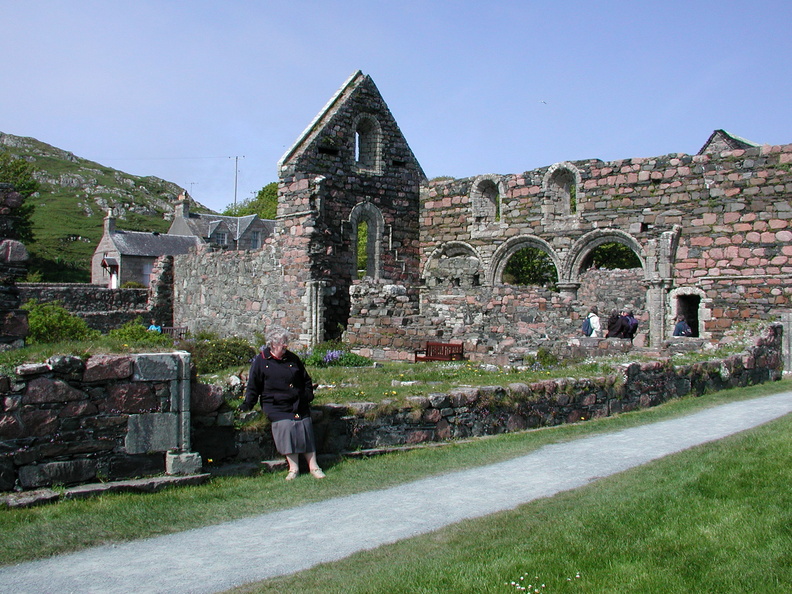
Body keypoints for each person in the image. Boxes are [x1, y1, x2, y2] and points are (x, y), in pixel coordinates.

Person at [240, 326, 325, 480]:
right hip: (276, 406)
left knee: (304, 423)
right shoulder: (261, 361)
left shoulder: (292, 359)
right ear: (273, 344)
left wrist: (307, 396)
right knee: (287, 426)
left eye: (286, 342)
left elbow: (306, 380)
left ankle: (314, 466)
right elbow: (253, 386)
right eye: (282, 342)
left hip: (297, 403)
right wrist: (247, 404)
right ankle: (294, 468)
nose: (286, 345)